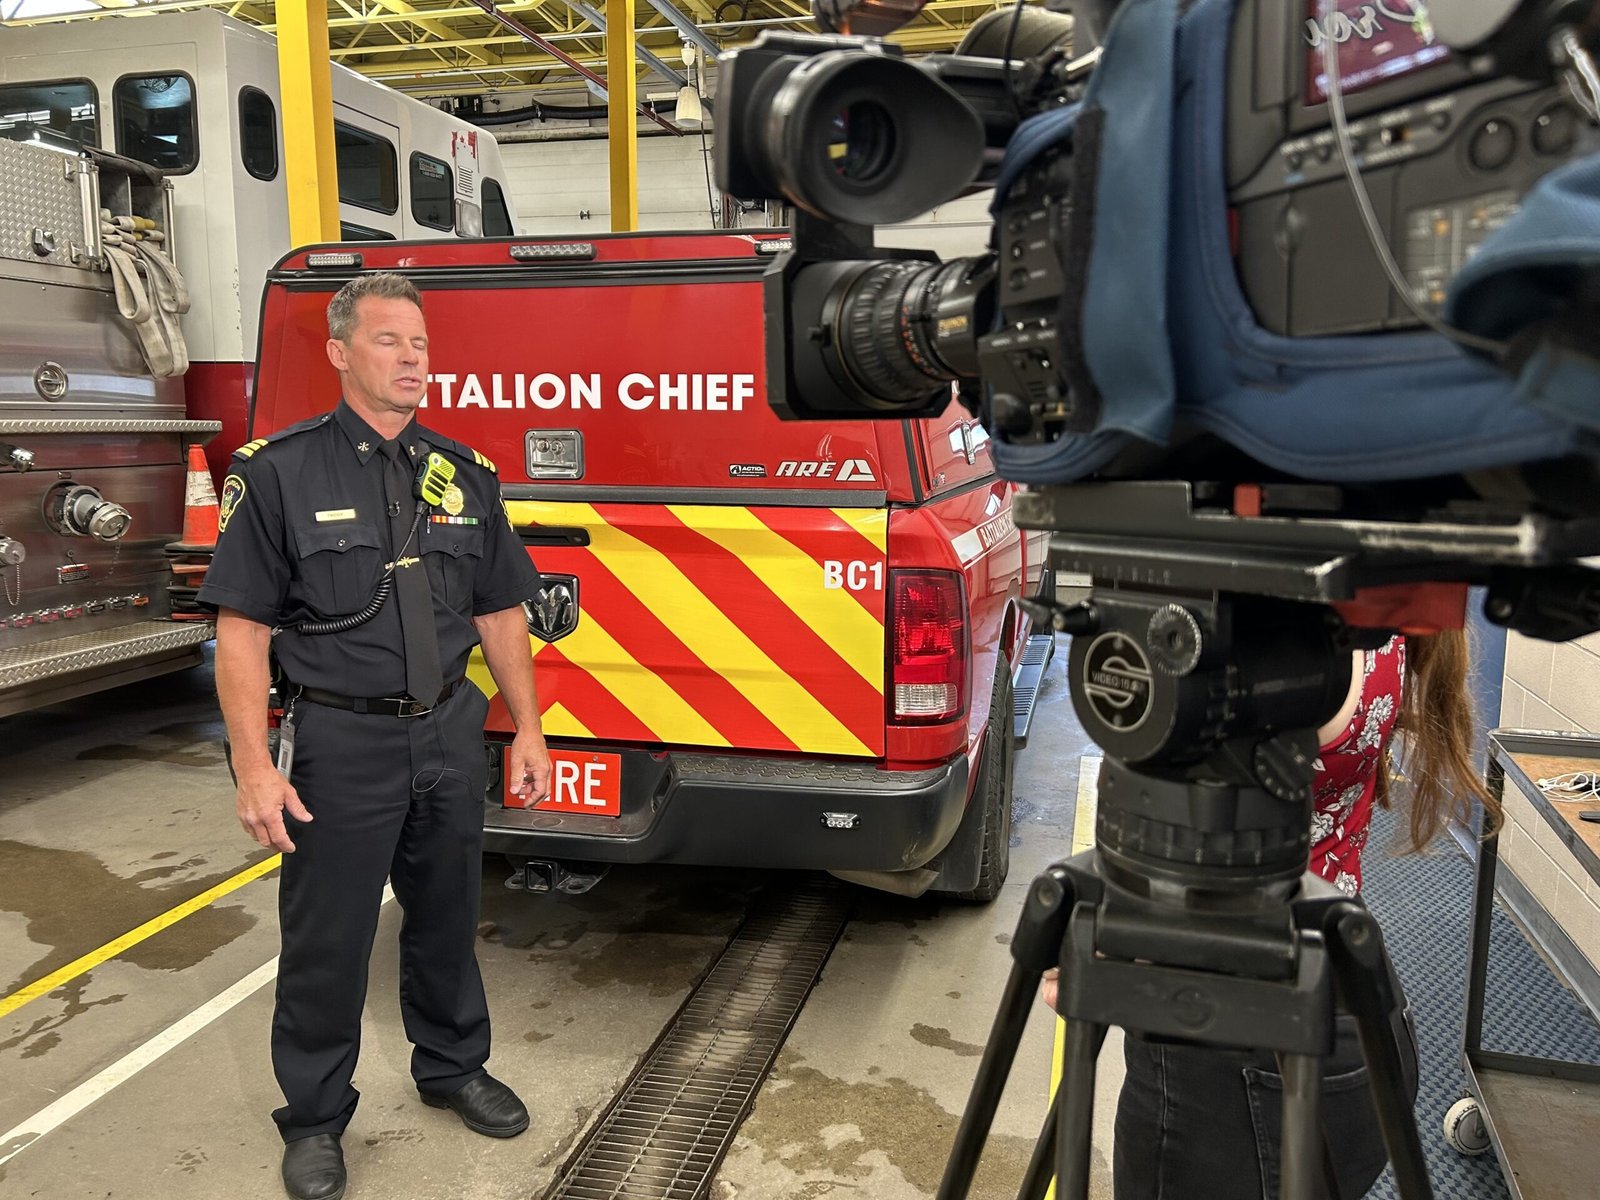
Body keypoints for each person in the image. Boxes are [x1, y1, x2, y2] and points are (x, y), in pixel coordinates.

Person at [199, 272, 551, 1200]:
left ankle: (453, 1068)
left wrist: (527, 729)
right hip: (339, 743)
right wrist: (253, 769)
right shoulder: (277, 473)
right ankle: (316, 1117)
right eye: (390, 341)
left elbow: (500, 610)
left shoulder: (464, 475)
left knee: (445, 920)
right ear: (340, 352)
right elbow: (242, 632)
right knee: (331, 939)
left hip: (449, 732)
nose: (412, 360)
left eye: (421, 344)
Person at [1043, 629, 1496, 1199]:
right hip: (1348, 992)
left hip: (1225, 1049)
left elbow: (1176, 834)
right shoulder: (1373, 616)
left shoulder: (1265, 643)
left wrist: (1103, 935)